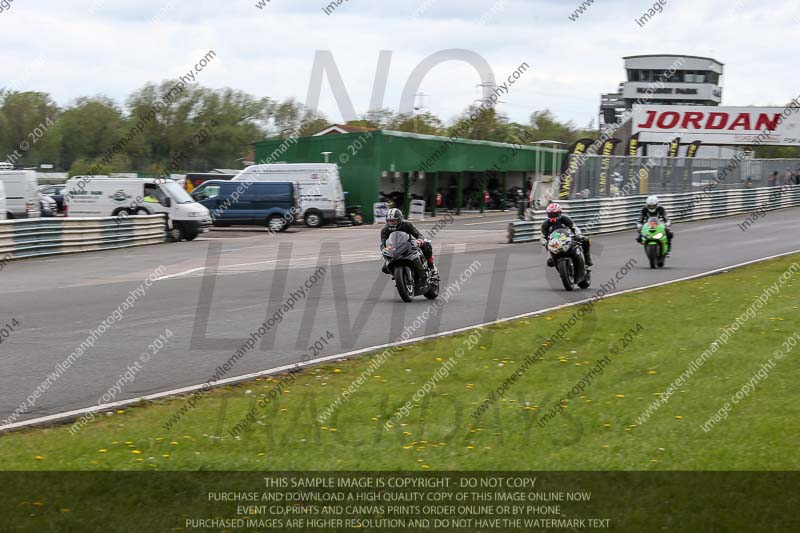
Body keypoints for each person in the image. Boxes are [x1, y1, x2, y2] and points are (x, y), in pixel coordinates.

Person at [380, 208, 438, 275]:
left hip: (409, 245)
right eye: (389, 221)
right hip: (395, 249)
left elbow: (418, 235)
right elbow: (383, 243)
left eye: (394, 221)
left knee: (426, 244)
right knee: (385, 268)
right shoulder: (384, 230)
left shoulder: (407, 224)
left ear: (399, 219)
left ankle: (431, 266)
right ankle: (398, 275)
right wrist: (384, 249)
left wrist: (419, 240)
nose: (391, 223)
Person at [540, 202, 593, 268]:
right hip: (555, 242)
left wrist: (578, 235)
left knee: (586, 240)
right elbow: (542, 236)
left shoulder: (565, 219)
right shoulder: (546, 224)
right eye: (550, 215)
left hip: (568, 237)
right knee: (550, 262)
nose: (553, 217)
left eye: (554, 214)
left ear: (559, 213)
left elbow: (574, 227)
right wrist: (545, 242)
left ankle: (587, 259)